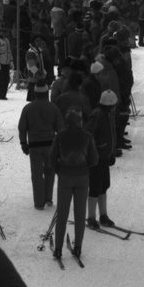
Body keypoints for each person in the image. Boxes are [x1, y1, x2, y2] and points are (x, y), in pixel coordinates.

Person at [49, 108, 98, 261]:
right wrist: (84, 168)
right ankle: (78, 248)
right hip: (82, 177)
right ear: (79, 121)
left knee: (62, 213)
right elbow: (94, 159)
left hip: (65, 176)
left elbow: (52, 157)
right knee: (80, 213)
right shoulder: (87, 136)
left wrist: (59, 170)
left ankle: (58, 249)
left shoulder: (60, 136)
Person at [18, 81, 64, 210]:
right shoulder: (53, 108)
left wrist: (23, 143)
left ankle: (39, 202)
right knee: (50, 171)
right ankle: (48, 197)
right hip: (51, 145)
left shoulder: (28, 108)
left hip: (34, 146)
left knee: (37, 174)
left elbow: (22, 128)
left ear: (35, 93)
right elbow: (60, 128)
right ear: (46, 93)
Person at [86, 90, 118, 229]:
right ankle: (91, 217)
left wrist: (111, 153)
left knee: (104, 186)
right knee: (95, 187)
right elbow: (88, 133)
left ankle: (103, 215)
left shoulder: (107, 114)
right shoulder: (98, 114)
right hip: (97, 157)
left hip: (104, 156)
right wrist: (94, 150)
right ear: (109, 105)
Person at [0, 28, 13, 100]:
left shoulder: (6, 40)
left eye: (4, 31)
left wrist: (11, 61)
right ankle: (0, 95)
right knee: (0, 80)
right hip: (0, 63)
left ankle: (4, 94)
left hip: (6, 63)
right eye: (2, 31)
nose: (3, 33)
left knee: (6, 79)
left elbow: (9, 51)